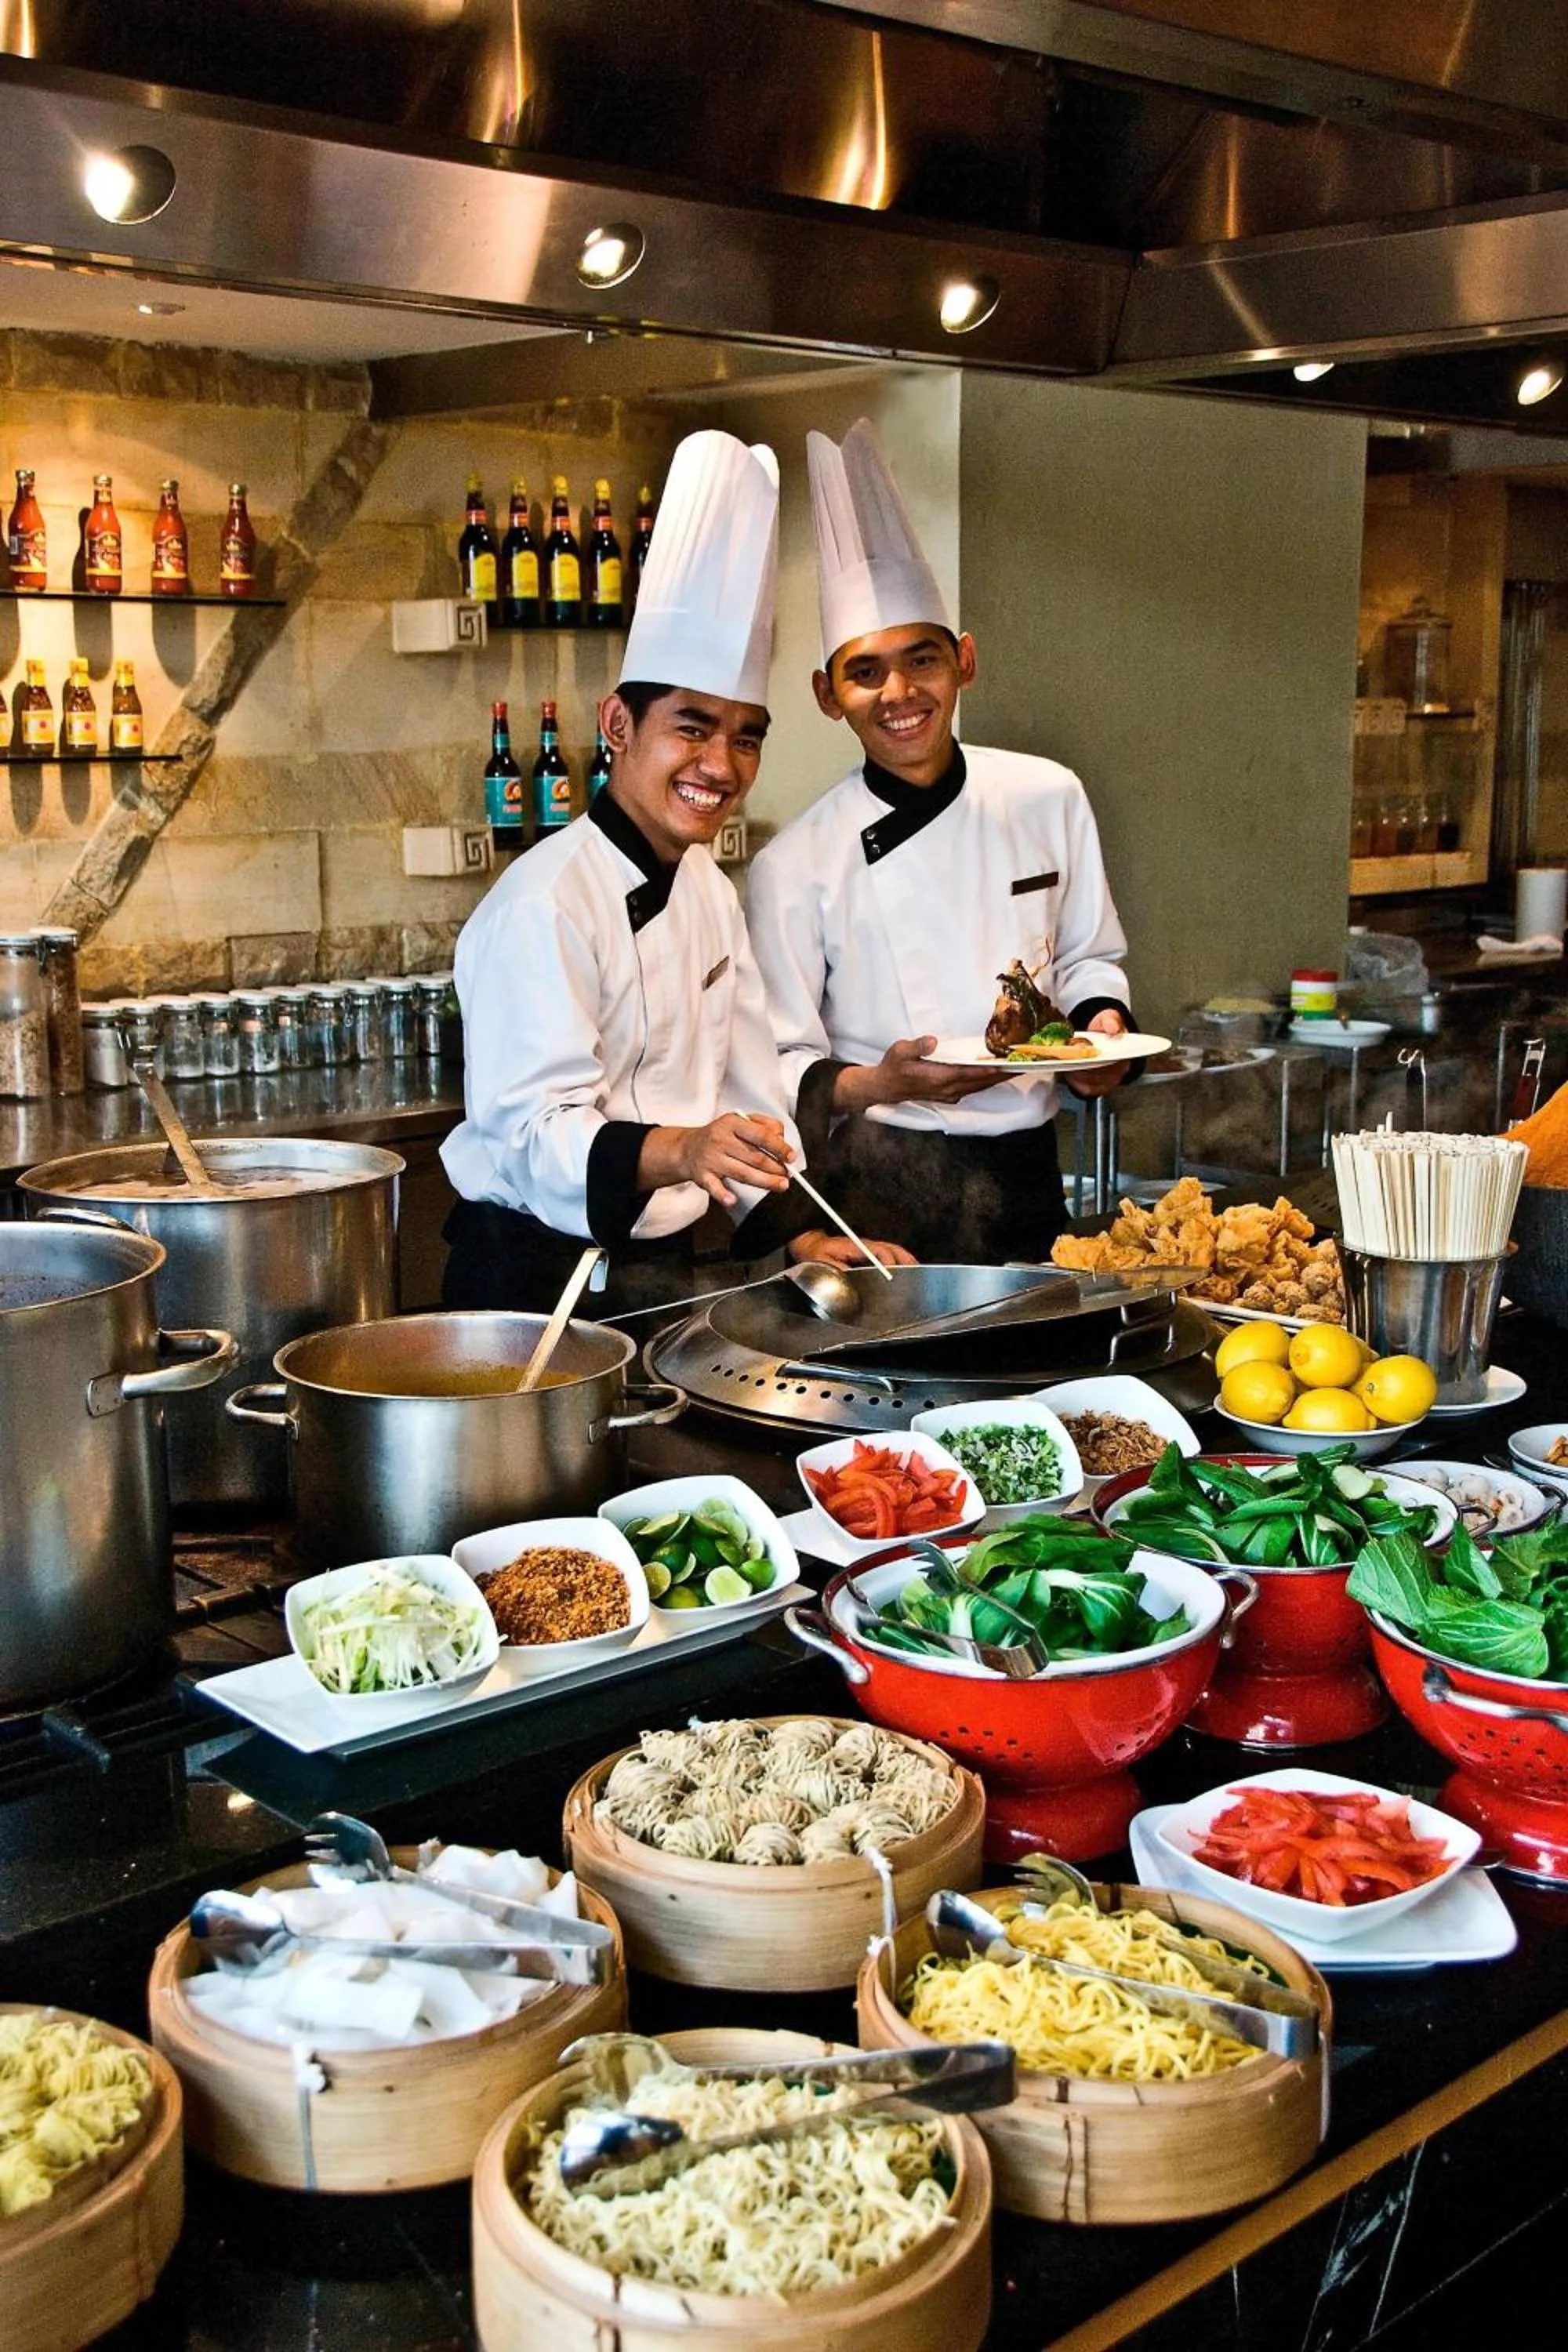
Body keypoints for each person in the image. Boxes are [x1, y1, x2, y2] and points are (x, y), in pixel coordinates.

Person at [440, 429, 912, 1314]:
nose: (721, 766)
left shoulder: (704, 889)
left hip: (654, 1281)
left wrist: (799, 1229)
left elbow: (745, 1091)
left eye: (745, 737)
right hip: (528, 1288)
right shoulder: (543, 904)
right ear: (618, 725)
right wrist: (684, 1148)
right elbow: (534, 1137)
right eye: (691, 729)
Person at [745, 418, 1135, 1265]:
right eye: (863, 672)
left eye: (919, 660)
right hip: (878, 1185)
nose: (897, 692)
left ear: (963, 661)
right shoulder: (794, 864)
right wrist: (881, 1083)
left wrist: (1102, 1030)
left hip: (1030, 1172)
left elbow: (1088, 960)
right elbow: (777, 1062)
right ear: (825, 694)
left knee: (1033, 1385)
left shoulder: (1046, 794)